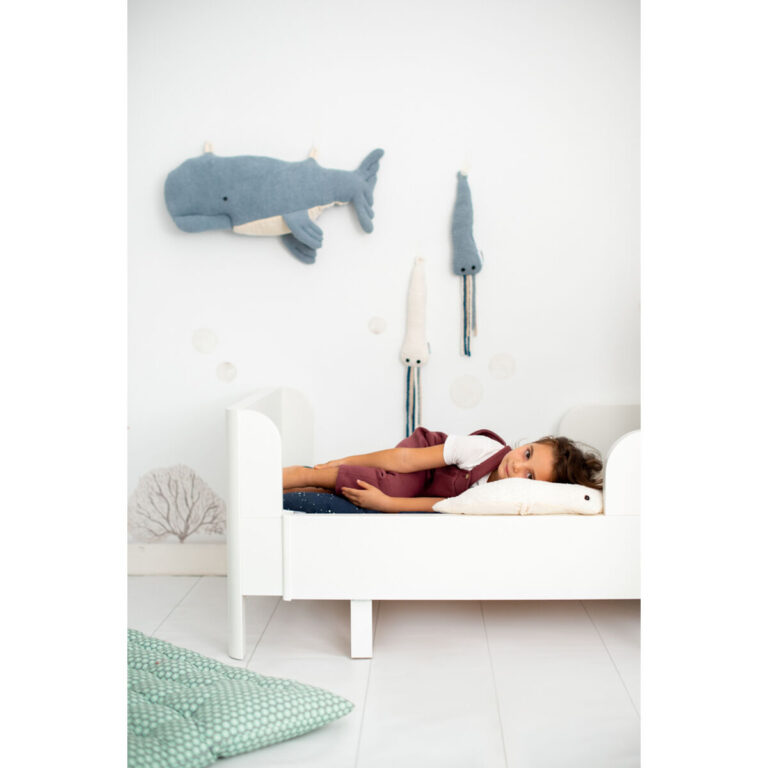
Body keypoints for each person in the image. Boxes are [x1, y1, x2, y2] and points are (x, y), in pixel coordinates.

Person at [282, 426, 603, 513]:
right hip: (423, 460)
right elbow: (403, 461)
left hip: (430, 490)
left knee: (391, 497)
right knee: (393, 486)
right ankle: (307, 474)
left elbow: (445, 505)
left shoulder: (506, 497)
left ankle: (319, 487)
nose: (517, 464)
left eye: (529, 475)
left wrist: (388, 506)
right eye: (527, 453)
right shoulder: (482, 450)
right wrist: (348, 460)